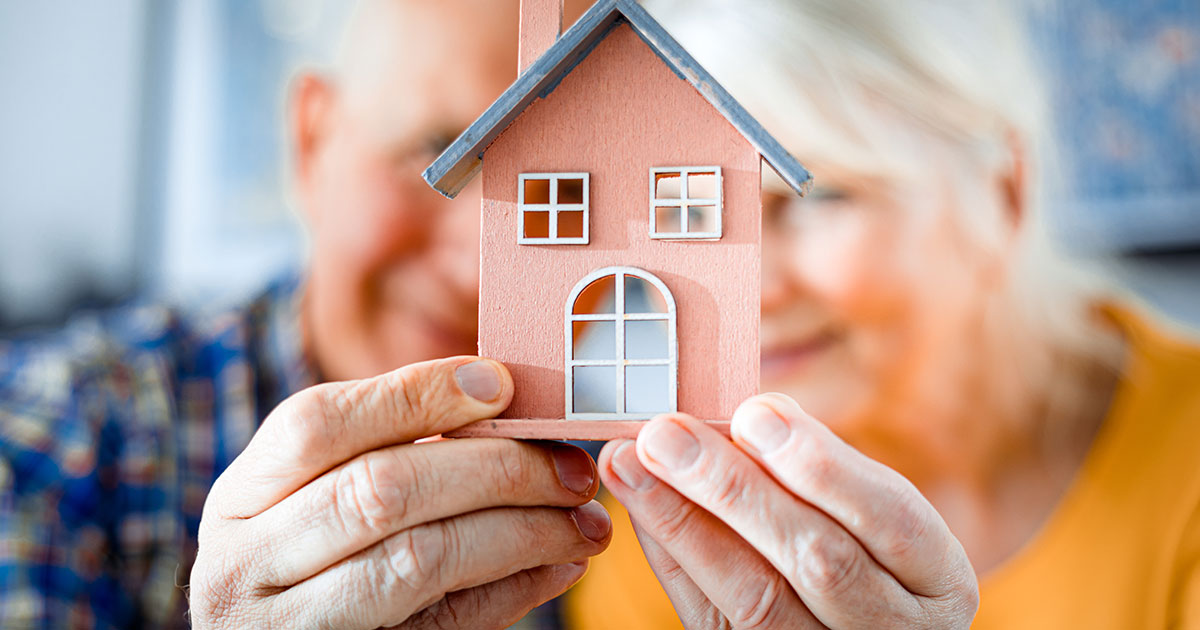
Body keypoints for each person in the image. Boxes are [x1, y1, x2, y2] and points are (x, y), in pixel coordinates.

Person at [0, 1, 1196, 630]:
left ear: (1008, 187)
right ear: (309, 138)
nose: (484, 259)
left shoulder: (646, 491)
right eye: (439, 153)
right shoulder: (61, 444)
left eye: (814, 198)